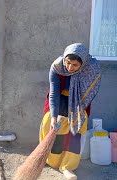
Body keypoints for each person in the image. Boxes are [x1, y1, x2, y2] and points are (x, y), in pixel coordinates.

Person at [39, 43, 101, 180]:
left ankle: (67, 167)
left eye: (74, 65)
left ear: (82, 64)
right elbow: (54, 92)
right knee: (51, 126)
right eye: (68, 63)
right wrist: (55, 116)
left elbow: (88, 92)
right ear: (64, 59)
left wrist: (74, 111)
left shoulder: (91, 69)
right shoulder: (57, 67)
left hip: (79, 103)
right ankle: (52, 161)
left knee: (75, 134)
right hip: (59, 99)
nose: (70, 68)